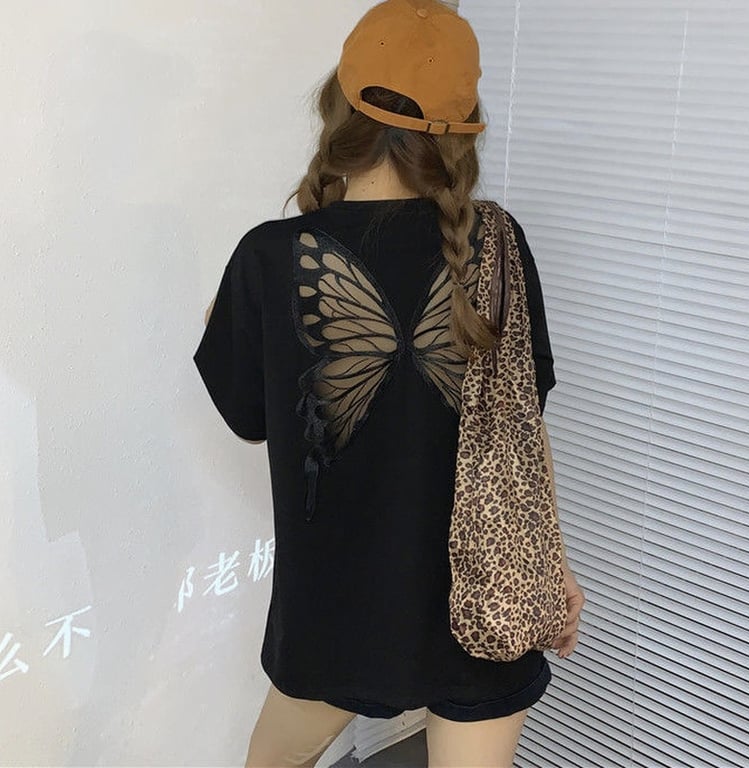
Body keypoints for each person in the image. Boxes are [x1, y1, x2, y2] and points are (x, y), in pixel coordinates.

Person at [193, 1, 585, 766]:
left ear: (339, 106)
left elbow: (251, 418)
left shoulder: (271, 257)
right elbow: (520, 428)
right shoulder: (498, 244)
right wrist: (554, 563)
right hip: (485, 600)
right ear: (462, 129)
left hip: (335, 611)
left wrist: (234, 319)